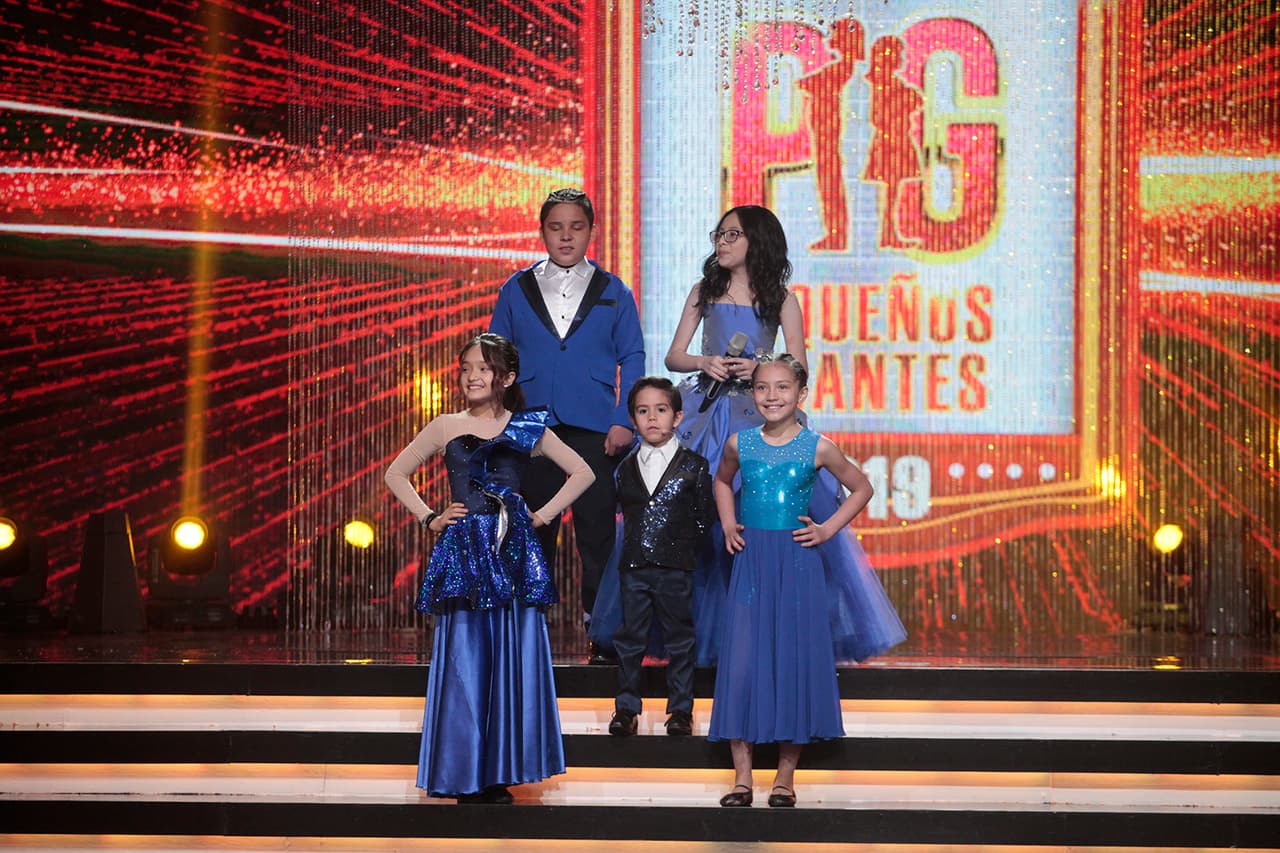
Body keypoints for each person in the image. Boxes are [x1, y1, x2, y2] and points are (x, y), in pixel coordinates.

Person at [384, 333, 595, 803]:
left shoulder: (525, 427)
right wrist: (430, 518)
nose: (472, 376)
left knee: (511, 655)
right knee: (466, 658)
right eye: (466, 368)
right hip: (465, 549)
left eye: (483, 368)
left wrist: (540, 515)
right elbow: (395, 473)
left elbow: (583, 471)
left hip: (511, 550)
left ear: (507, 377)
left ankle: (500, 769)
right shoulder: (446, 425)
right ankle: (464, 772)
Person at [709, 355, 903, 808]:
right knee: (743, 663)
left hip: (797, 564)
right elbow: (721, 482)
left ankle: (784, 778)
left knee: (791, 660)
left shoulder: (819, 446)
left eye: (781, 388)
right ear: (752, 393)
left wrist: (827, 528)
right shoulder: (740, 442)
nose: (771, 396)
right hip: (753, 562)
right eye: (762, 388)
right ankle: (742, 778)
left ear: (801, 394)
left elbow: (862, 487)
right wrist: (728, 523)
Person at [490, 188, 645, 661]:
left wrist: (625, 421)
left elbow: (633, 356)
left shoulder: (613, 290)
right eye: (556, 227)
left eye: (575, 227)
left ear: (590, 232)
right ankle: (526, 631)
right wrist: (501, 421)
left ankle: (601, 634)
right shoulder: (516, 288)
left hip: (595, 429)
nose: (565, 236)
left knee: (597, 533)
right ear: (542, 232)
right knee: (533, 531)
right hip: (532, 429)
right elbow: (497, 356)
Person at [607, 377, 713, 740]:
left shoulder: (695, 466)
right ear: (633, 419)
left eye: (661, 410)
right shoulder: (623, 467)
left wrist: (681, 550)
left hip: (675, 566)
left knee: (680, 639)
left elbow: (703, 518)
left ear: (678, 416)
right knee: (630, 638)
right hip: (634, 567)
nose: (652, 418)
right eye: (642, 411)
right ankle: (626, 707)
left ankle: (681, 709)